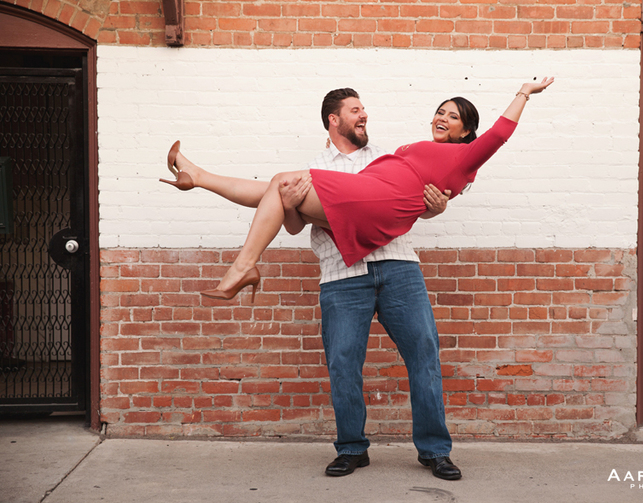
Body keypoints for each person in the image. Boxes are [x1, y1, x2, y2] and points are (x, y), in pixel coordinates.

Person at [160, 88, 491, 479]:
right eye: (355, 111)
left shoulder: (389, 156)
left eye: (364, 110)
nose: (364, 115)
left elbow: (411, 207)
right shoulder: (315, 166)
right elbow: (295, 224)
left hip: (398, 266)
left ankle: (435, 451)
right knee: (343, 364)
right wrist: (301, 208)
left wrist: (438, 208)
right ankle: (352, 448)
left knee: (423, 357)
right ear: (335, 120)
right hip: (342, 275)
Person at [192, 77, 553, 300]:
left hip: (377, 205)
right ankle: (198, 179)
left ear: (465, 132)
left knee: (284, 181)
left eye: (453, 117)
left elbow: (500, 134)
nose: (443, 118)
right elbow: (295, 224)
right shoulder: (421, 152)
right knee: (278, 185)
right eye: (440, 112)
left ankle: (243, 267)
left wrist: (524, 92)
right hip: (368, 196)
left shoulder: (463, 157)